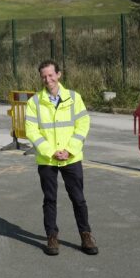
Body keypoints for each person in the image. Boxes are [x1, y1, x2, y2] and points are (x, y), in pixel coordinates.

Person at [24, 60, 96, 256]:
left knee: (78, 199)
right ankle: (52, 237)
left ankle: (86, 235)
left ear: (59, 74)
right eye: (44, 77)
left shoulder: (74, 98)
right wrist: (49, 151)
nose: (48, 80)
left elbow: (83, 125)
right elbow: (31, 131)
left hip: (71, 158)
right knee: (50, 199)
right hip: (47, 159)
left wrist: (70, 150)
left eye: (51, 75)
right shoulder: (34, 102)